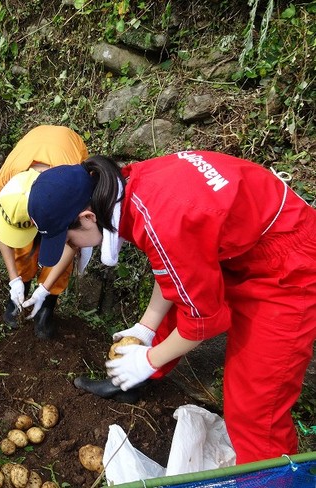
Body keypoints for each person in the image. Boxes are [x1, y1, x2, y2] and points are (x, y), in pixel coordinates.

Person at [26, 151, 316, 464]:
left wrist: (148, 359)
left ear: (87, 217)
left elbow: (205, 322)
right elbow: (171, 264)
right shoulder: (128, 185)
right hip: (241, 241)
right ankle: (132, 382)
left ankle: (271, 479)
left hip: (287, 267)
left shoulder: (163, 218)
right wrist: (146, 327)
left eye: (68, 239)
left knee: (255, 405)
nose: (72, 247)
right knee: (168, 318)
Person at [0, 125, 88, 338]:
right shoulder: (5, 185)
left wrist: (46, 288)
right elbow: (3, 233)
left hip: (67, 146)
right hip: (33, 144)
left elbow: (73, 242)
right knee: (24, 248)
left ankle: (47, 308)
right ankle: (19, 293)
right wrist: (14, 279)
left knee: (57, 251)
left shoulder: (68, 188)